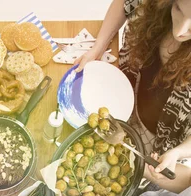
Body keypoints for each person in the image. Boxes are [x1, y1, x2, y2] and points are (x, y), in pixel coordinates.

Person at [77, 0, 191, 185]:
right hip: (127, 104)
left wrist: (179, 152)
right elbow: (125, 4)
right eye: (178, 9)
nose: (179, 31)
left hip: (160, 145)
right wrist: (98, 47)